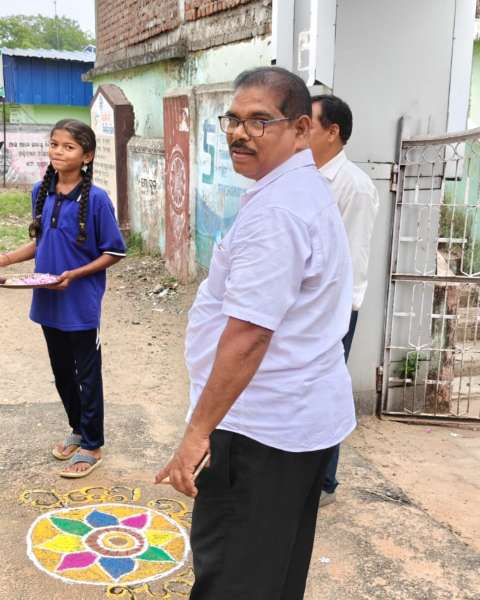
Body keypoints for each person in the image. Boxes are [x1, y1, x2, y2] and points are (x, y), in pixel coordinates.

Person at [155, 67, 356, 600]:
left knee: (235, 578)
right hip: (290, 422)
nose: (239, 134)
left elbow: (248, 336)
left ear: (301, 129)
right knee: (273, 571)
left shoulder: (278, 212)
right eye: (234, 120)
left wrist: (197, 433)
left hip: (258, 431)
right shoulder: (297, 191)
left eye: (259, 121)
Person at [0, 119, 126, 478]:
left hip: (80, 302)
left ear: (87, 156)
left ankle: (93, 445)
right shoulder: (40, 191)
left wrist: (74, 274)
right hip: (47, 299)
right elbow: (42, 242)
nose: (58, 151)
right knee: (61, 373)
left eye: (68, 147)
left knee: (87, 374)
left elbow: (114, 252)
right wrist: (6, 259)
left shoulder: (97, 200)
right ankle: (78, 429)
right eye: (54, 144)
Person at [310, 94, 379, 507]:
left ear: (332, 132)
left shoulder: (354, 186)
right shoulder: (307, 176)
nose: (299, 132)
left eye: (308, 124)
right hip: (305, 308)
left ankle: (324, 482)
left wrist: (339, 315)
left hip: (334, 311)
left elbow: (354, 256)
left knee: (326, 390)